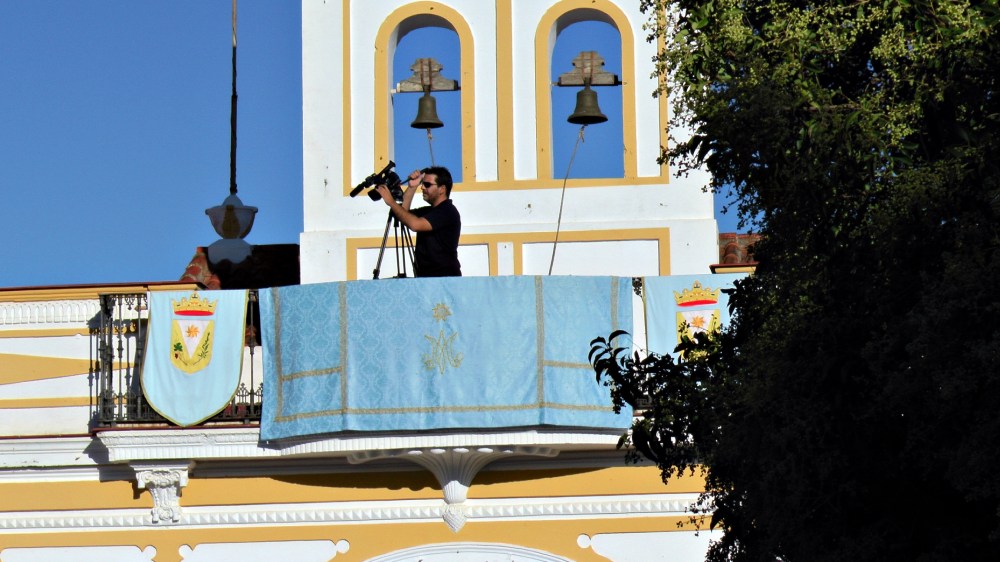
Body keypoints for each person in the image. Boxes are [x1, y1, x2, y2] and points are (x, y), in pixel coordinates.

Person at [376, 166, 461, 277]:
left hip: (443, 279)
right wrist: (412, 187)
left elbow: (415, 225)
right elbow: (403, 213)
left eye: (427, 185)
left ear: (442, 189)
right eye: (422, 183)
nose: (422, 187)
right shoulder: (429, 211)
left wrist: (391, 202)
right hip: (426, 279)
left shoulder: (447, 211)